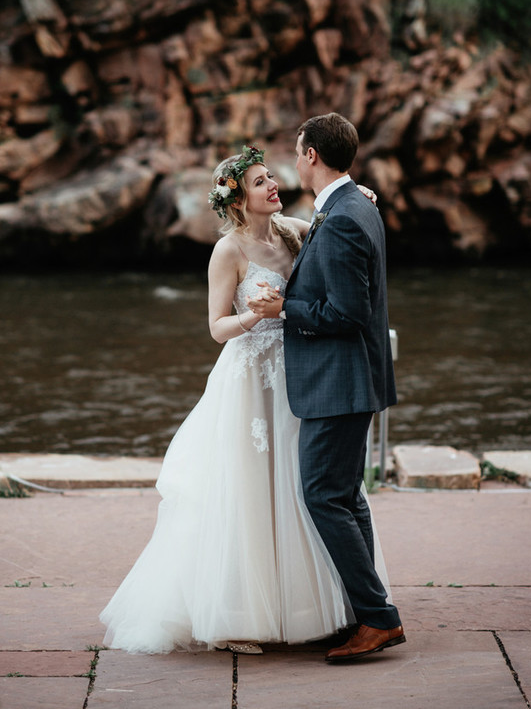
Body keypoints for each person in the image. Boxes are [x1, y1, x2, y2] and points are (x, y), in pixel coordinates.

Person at [99, 144, 391, 655]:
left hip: (301, 378)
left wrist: (357, 194)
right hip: (251, 381)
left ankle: (312, 608)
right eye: (260, 182)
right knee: (248, 492)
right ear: (237, 200)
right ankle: (237, 613)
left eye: (271, 176)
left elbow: (335, 226)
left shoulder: (293, 231)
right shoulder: (228, 251)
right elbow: (217, 328)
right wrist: (258, 315)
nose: (274, 185)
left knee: (301, 489)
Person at [248, 113, 405, 663]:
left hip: (339, 383)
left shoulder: (341, 218)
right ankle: (369, 613)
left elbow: (346, 312)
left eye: (297, 151)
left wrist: (283, 309)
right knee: (344, 495)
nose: (294, 161)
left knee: (321, 494)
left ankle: (378, 619)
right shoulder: (352, 205)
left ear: (312, 154)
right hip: (350, 379)